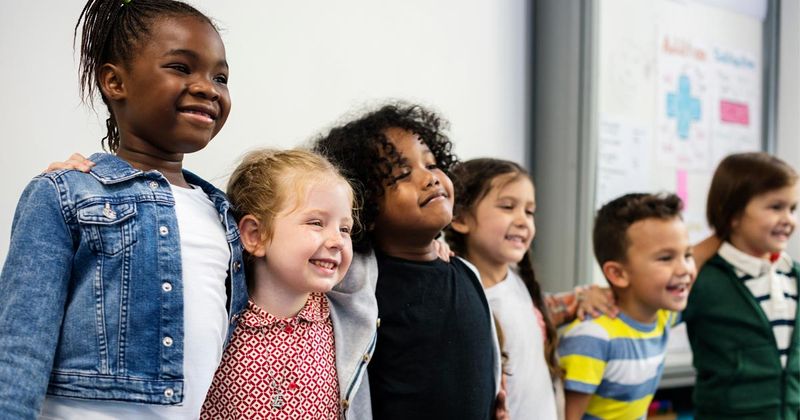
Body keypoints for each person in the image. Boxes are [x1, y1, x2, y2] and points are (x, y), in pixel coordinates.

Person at [0, 0, 248, 418]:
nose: (208, 87)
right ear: (115, 82)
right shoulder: (66, 193)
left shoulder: (223, 214)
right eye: (182, 68)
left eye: (220, 77)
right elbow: (20, 345)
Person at [312, 103, 505, 419]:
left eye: (431, 164)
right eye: (402, 173)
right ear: (364, 206)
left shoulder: (466, 273)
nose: (429, 179)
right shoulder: (356, 284)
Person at [198, 148, 377, 419]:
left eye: (345, 228)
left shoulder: (343, 314)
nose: (337, 241)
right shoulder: (217, 322)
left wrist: (433, 245)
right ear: (255, 235)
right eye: (316, 223)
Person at [445, 158, 617, 420]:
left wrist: (583, 296)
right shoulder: (462, 297)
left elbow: (535, 316)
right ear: (459, 218)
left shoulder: (517, 280)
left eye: (529, 211)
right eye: (507, 207)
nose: (523, 221)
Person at [558, 193, 696, 420]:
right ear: (618, 274)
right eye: (665, 258)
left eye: (687, 255)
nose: (684, 269)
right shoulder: (592, 339)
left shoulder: (662, 316)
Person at [684, 152, 800, 419]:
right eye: (775, 207)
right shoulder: (703, 279)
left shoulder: (794, 276)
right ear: (733, 214)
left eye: (792, 208)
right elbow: (644, 306)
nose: (788, 219)